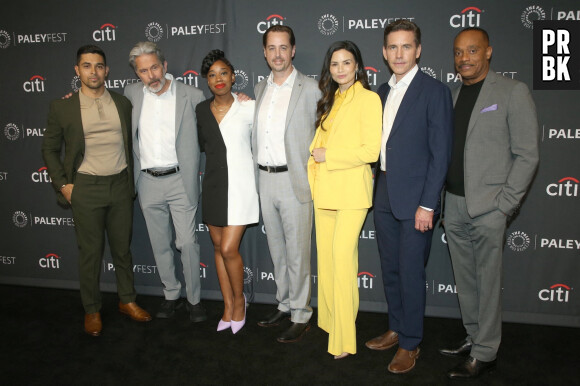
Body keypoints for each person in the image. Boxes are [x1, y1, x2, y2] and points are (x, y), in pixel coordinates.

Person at [440, 27, 539, 379]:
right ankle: (473, 335)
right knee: (465, 280)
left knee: (487, 280)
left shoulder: (512, 92)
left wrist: (505, 205)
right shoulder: (452, 96)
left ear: (488, 52)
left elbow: (527, 155)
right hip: (452, 204)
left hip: (489, 208)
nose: (464, 58)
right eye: (458, 52)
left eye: (472, 50)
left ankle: (486, 351)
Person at [42, 45, 151, 337]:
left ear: (107, 70)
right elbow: (50, 149)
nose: (94, 71)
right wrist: (64, 185)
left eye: (99, 66)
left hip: (119, 184)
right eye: (87, 66)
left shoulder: (122, 103)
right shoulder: (63, 106)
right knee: (90, 253)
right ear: (77, 71)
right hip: (85, 187)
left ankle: (127, 301)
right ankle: (92, 310)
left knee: (122, 250)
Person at [365, 20, 454, 373]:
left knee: (411, 271)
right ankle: (396, 327)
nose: (398, 54)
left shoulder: (434, 91)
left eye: (406, 46)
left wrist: (428, 204)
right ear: (385, 53)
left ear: (417, 50)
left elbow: (440, 154)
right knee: (390, 269)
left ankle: (411, 342)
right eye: (392, 47)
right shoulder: (380, 93)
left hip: (418, 198)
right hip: (384, 191)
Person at [308, 41, 382, 359]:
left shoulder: (369, 99)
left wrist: (329, 155)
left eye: (346, 63)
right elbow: (317, 146)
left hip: (351, 193)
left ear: (357, 66)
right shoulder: (331, 99)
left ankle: (343, 339)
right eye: (335, 64)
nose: (340, 69)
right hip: (325, 192)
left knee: (342, 261)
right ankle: (330, 323)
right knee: (326, 263)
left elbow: (370, 152)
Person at [124, 42, 207, 322]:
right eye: (144, 71)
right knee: (160, 244)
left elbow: (217, 123)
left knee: (187, 243)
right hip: (147, 182)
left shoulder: (192, 95)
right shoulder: (131, 95)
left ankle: (194, 300)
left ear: (165, 65)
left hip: (180, 180)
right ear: (137, 74)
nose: (152, 75)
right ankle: (171, 295)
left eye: (155, 67)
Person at [252, 25, 321, 343]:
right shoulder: (259, 89)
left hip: (295, 181)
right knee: (277, 250)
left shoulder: (310, 88)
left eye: (283, 47)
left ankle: (301, 313)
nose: (277, 54)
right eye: (271, 48)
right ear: (265, 52)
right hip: (264, 179)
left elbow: (325, 131)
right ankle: (284, 303)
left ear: (293, 50)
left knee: (297, 253)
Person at [196, 50, 258, 334]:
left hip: (241, 187)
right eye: (212, 75)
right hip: (213, 186)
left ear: (233, 77)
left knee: (229, 248)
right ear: (207, 81)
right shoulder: (200, 110)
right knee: (218, 249)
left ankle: (240, 302)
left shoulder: (249, 107)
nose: (218, 79)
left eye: (223, 73)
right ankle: (227, 305)